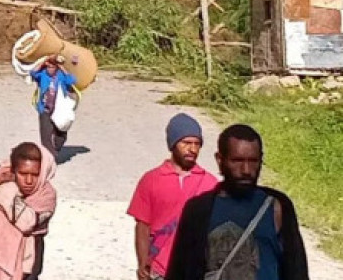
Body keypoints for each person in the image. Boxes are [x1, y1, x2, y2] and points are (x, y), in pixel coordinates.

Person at [166, 124, 309, 280]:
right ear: (220, 160)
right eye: (237, 160)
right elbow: (179, 271)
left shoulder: (277, 207)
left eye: (253, 161)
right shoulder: (198, 210)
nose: (246, 170)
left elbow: (296, 269)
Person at [128, 114, 219, 280]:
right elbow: (143, 226)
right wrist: (142, 264)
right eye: (186, 143)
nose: (192, 149)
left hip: (197, 271)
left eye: (197, 144)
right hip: (159, 271)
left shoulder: (210, 184)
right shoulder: (151, 180)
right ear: (172, 145)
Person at [0, 142, 57, 280]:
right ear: (13, 172)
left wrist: (7, 190)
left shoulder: (45, 195)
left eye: (35, 175)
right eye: (23, 174)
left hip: (27, 262)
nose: (29, 181)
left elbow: (27, 222)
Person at [30, 55, 76, 158]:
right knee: (45, 135)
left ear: (56, 68)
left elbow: (72, 80)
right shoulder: (42, 75)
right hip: (45, 108)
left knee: (61, 135)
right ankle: (49, 156)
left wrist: (62, 68)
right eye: (49, 67)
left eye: (52, 67)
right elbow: (32, 73)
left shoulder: (60, 76)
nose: (50, 69)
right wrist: (43, 62)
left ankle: (55, 150)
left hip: (59, 110)